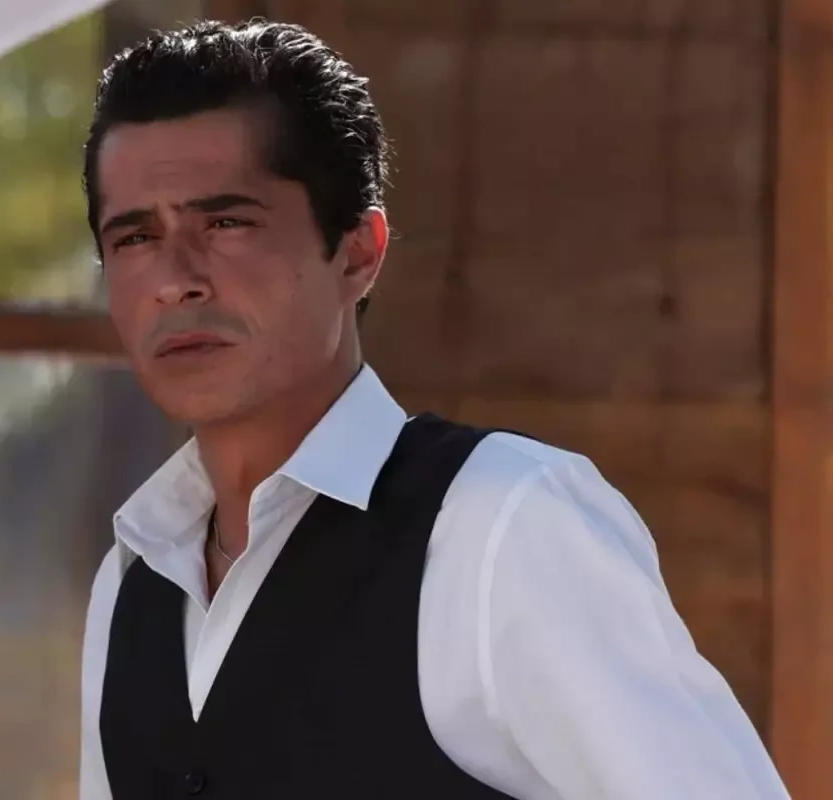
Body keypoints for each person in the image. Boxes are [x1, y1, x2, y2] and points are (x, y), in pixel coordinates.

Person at [77, 18, 791, 800]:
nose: (174, 279)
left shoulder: (499, 527)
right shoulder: (131, 588)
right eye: (135, 237)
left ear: (357, 252)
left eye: (225, 223)